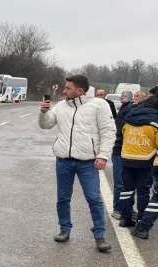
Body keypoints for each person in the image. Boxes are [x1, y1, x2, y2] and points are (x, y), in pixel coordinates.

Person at [39, 75, 116, 252]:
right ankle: (64, 229)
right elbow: (46, 125)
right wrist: (43, 113)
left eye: (67, 88)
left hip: (88, 162)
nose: (64, 91)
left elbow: (108, 131)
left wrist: (103, 155)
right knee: (63, 198)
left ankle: (99, 235)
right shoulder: (62, 106)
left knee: (94, 198)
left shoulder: (98, 105)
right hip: (64, 161)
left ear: (80, 91)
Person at [119, 95, 158, 239]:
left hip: (127, 158)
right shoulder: (155, 121)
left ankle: (125, 218)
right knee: (143, 191)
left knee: (127, 190)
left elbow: (123, 134)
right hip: (146, 160)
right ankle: (141, 220)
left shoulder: (130, 117)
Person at [111, 90, 134, 219]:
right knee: (124, 183)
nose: (120, 97)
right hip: (122, 149)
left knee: (122, 183)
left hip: (122, 149)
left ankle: (122, 209)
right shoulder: (126, 109)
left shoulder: (126, 109)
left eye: (122, 95)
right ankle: (122, 208)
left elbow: (119, 131)